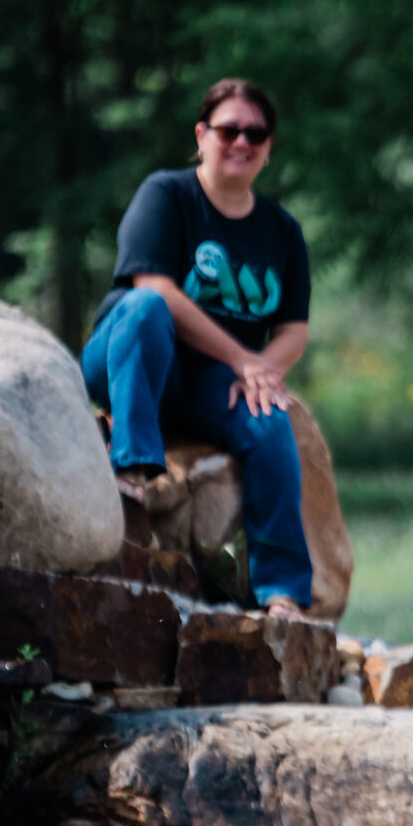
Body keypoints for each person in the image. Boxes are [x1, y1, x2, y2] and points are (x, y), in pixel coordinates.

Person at [82, 77, 316, 615]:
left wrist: (262, 373)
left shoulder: (282, 232)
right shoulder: (166, 194)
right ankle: (133, 469)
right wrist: (243, 357)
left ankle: (282, 593)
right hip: (130, 359)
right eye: (228, 129)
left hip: (209, 383)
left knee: (270, 421)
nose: (241, 142)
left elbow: (293, 330)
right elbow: (154, 288)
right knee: (146, 310)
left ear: (269, 147)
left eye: (255, 133)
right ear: (201, 134)